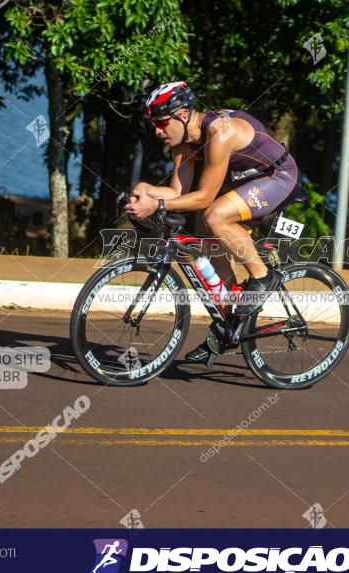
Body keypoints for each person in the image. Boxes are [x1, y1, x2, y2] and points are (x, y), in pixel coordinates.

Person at [124, 81, 301, 363]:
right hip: (246, 181)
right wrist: (146, 190)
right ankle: (229, 323)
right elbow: (177, 193)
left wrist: (156, 205)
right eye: (153, 124)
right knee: (210, 236)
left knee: (214, 215)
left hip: (277, 176)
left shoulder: (219, 131)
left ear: (182, 115)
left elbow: (204, 197)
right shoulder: (183, 140)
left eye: (160, 122)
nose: (156, 131)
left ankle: (263, 278)